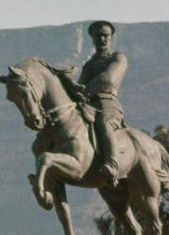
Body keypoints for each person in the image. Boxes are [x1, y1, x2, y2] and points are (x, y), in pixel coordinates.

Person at [55, 20, 129, 186]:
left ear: (111, 38)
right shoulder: (89, 64)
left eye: (106, 36)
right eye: (99, 36)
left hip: (107, 104)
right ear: (93, 39)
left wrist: (84, 90)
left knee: (103, 122)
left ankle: (112, 165)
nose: (102, 39)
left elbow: (107, 79)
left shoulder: (118, 58)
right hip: (88, 106)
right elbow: (81, 87)